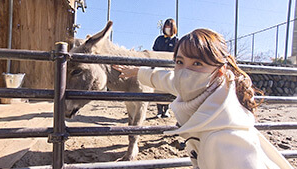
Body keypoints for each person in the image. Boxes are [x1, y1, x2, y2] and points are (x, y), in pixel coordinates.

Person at [113, 28, 293, 169]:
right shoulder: (211, 87)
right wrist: (138, 71)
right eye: (179, 62)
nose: (185, 72)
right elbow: (168, 79)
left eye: (197, 63)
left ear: (220, 71)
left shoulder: (226, 142)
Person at [152, 18, 178, 118]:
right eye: (166, 26)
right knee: (158, 88)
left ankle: (166, 110)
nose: (167, 28)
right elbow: (154, 51)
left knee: (168, 88)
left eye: (169, 26)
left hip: (170, 69)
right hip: (159, 68)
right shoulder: (159, 39)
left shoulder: (176, 40)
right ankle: (159, 110)